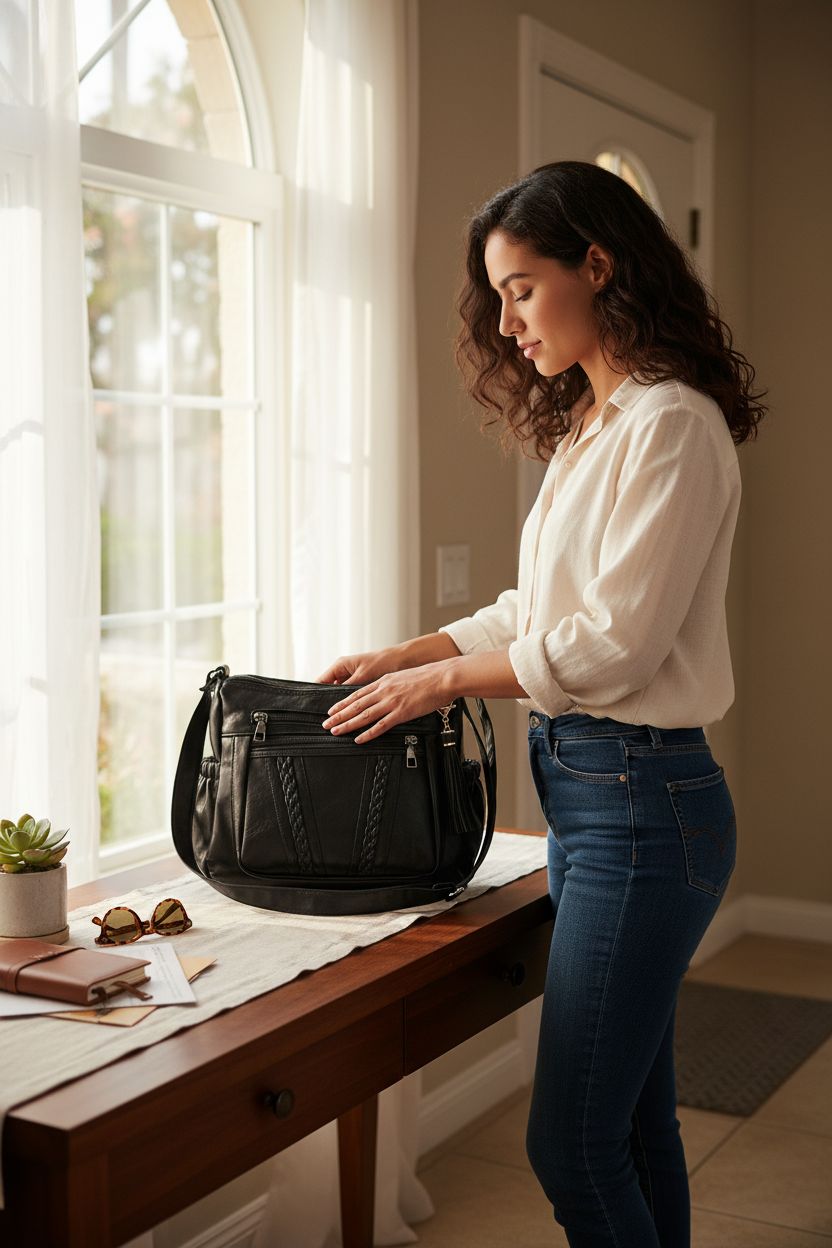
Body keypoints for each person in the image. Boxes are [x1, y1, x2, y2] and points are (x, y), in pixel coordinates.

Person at [316, 159, 767, 1247]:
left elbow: (613, 643)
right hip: (594, 801)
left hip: (645, 807)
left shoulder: (670, 424)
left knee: (567, 1144)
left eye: (520, 287)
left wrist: (440, 684)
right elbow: (539, 607)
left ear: (596, 265)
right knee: (634, 1123)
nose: (506, 319)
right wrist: (409, 651)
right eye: (499, 295)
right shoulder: (592, 428)